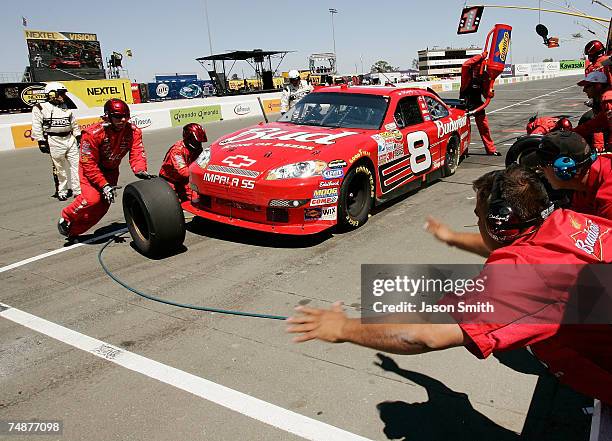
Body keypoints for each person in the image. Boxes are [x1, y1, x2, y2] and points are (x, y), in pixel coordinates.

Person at [287, 165, 612, 404]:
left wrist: (342, 328)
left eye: (478, 216)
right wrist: (452, 239)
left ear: (498, 223)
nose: (477, 222)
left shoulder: (526, 276)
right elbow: (523, 248)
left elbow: (422, 334)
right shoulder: (570, 222)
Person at [425, 131, 612, 257]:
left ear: (564, 170)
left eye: (542, 167)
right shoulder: (582, 187)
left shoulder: (608, 197)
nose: (539, 172)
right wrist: (451, 237)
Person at [58, 99, 153, 238]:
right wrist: (104, 185)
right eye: (118, 117)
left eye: (126, 116)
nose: (122, 120)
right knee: (92, 200)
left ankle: (73, 231)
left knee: (102, 207)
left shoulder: (134, 132)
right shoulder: (91, 134)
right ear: (107, 116)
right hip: (90, 170)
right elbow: (88, 163)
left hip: (111, 171)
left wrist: (140, 170)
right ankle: (66, 216)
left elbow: (137, 152)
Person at [31, 82, 81, 201]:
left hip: (70, 139)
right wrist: (41, 141)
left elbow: (73, 122)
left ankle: (78, 190)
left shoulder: (65, 106)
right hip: (54, 140)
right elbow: (36, 125)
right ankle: (62, 191)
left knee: (77, 166)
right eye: (61, 93)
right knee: (60, 168)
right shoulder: (40, 107)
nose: (63, 96)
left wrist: (77, 135)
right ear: (52, 94)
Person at [460, 54, 500, 156]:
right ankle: (463, 151)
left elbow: (486, 93)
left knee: (484, 128)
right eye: (476, 66)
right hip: (465, 104)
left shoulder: (485, 76)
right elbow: (465, 65)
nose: (477, 70)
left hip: (478, 104)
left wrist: (490, 93)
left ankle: (491, 150)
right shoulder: (467, 73)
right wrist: (480, 56)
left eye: (480, 66)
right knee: (465, 131)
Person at [159, 123, 207, 201]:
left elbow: (202, 164)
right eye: (196, 142)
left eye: (200, 142)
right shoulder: (177, 150)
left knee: (196, 199)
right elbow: (183, 172)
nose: (199, 144)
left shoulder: (197, 149)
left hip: (184, 179)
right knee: (172, 202)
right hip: (169, 180)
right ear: (189, 138)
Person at [571, 70, 612, 151]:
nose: (584, 90)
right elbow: (596, 123)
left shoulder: (608, 99)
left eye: (587, 86)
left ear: (597, 86)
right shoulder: (603, 100)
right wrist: (572, 133)